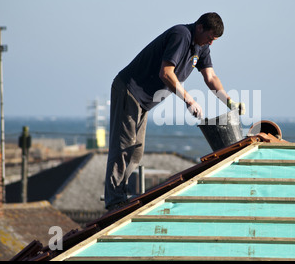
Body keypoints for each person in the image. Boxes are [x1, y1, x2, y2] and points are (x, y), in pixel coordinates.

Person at [104, 12, 245, 211]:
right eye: (210, 38)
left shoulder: (201, 46)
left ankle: (121, 195)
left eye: (214, 41)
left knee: (136, 151)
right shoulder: (182, 35)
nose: (211, 44)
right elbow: (166, 73)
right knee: (124, 146)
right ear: (199, 28)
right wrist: (189, 100)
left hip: (144, 101)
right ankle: (115, 201)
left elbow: (211, 77)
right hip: (130, 90)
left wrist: (229, 102)